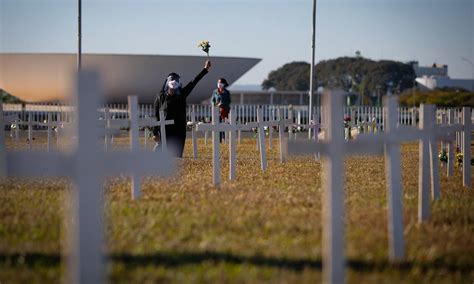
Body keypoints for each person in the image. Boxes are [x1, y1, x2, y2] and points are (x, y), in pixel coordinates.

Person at [153, 60, 211, 157]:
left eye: (175, 89)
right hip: (165, 130)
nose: (173, 91)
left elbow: (194, 82)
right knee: (161, 156)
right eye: (171, 89)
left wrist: (205, 69)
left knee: (177, 157)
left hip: (179, 130)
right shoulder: (161, 97)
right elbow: (156, 115)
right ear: (167, 86)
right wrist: (155, 132)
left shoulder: (182, 94)